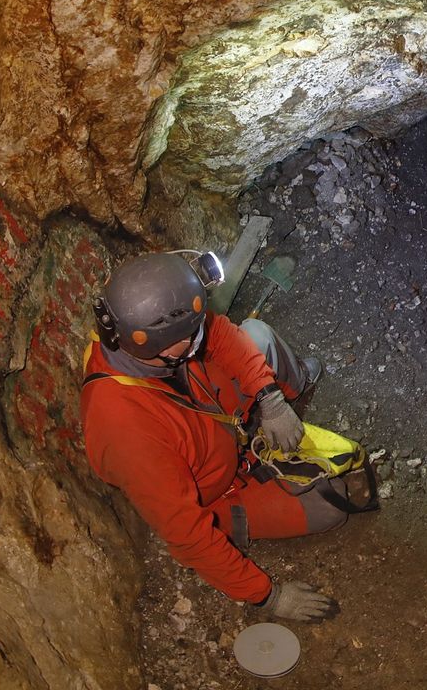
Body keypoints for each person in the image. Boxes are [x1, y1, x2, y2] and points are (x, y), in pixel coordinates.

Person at [79, 250, 344, 622]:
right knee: (331, 505)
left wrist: (271, 401)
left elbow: (219, 334)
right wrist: (267, 596)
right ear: (168, 347)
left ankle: (293, 385)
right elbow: (188, 535)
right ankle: (234, 519)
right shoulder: (126, 430)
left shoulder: (143, 339)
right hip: (214, 487)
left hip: (211, 411)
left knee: (255, 335)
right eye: (191, 334)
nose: (202, 333)